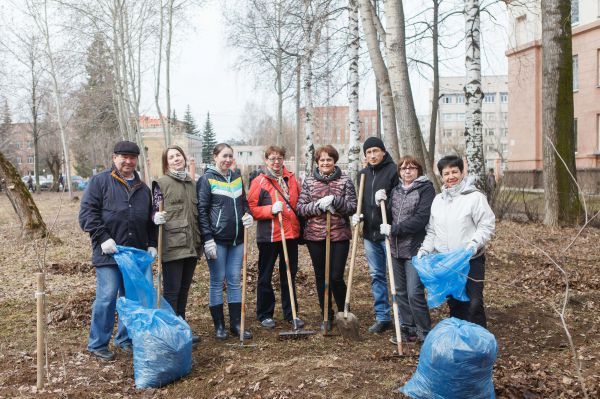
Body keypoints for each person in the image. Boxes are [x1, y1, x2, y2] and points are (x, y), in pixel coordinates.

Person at [79, 140, 157, 361]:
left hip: (134, 255)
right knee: (107, 297)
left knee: (131, 299)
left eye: (132, 157)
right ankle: (97, 344)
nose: (128, 161)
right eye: (123, 157)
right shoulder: (100, 182)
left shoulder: (143, 189)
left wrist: (152, 243)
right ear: (114, 158)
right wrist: (103, 237)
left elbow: (149, 221)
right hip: (109, 253)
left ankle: (125, 340)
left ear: (136, 160)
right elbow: (87, 214)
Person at [418, 155, 495, 328]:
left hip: (471, 259)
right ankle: (460, 342)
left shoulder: (474, 197)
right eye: (446, 173)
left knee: (474, 302)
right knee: (455, 304)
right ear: (441, 176)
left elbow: (486, 225)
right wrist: (425, 249)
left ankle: (479, 342)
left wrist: (473, 244)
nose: (451, 176)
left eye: (455, 172)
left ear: (462, 173)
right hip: (447, 262)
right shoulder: (438, 200)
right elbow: (432, 230)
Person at [197, 143, 253, 341]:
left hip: (237, 239)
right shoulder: (206, 179)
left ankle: (236, 324)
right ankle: (219, 326)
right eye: (224, 156)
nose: (227, 159)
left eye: (230, 156)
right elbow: (202, 211)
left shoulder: (237, 177)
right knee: (217, 280)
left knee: (234, 281)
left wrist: (248, 215)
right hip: (217, 240)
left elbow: (243, 203)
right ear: (215, 157)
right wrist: (208, 238)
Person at [297, 145, 357, 330]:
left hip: (338, 234)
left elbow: (353, 206)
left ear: (334, 161)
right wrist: (319, 206)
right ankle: (326, 315)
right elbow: (301, 208)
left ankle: (343, 312)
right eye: (322, 160)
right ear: (317, 162)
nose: (325, 163)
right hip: (315, 236)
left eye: (329, 159)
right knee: (321, 276)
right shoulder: (309, 181)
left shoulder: (345, 180)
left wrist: (335, 201)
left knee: (336, 276)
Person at [378, 156, 434, 344]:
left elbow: (421, 219)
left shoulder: (426, 189)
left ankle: (425, 331)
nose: (407, 171)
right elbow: (389, 215)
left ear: (418, 170)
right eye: (403, 169)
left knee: (414, 292)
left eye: (411, 168)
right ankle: (409, 330)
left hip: (414, 249)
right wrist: (381, 203)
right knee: (400, 291)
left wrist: (394, 229)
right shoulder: (396, 191)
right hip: (394, 249)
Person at [247, 145, 303, 329]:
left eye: (279, 158)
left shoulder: (292, 179)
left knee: (289, 274)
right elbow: (252, 209)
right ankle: (264, 313)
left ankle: (291, 313)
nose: (276, 161)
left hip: (290, 234)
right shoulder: (259, 181)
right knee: (265, 275)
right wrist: (269, 209)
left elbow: (299, 203)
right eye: (272, 158)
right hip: (269, 236)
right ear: (266, 160)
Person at [152, 145, 202, 344]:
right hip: (172, 245)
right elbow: (154, 208)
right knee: (172, 292)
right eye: (171, 157)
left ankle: (181, 327)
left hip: (191, 245)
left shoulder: (192, 183)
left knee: (184, 290)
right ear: (166, 162)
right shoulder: (161, 183)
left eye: (178, 155)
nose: (176, 159)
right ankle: (171, 333)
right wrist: (155, 216)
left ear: (184, 158)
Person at [351, 137, 399, 333]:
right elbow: (361, 199)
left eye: (375, 151)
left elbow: (399, 202)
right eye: (368, 152)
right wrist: (358, 214)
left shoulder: (394, 171)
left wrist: (386, 205)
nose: (372, 155)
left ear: (383, 152)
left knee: (396, 277)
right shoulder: (363, 174)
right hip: (370, 233)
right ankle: (383, 316)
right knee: (376, 275)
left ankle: (403, 317)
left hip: (389, 233)